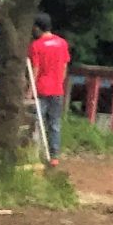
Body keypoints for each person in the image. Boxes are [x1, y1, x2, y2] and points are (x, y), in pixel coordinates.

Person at [27, 15, 71, 164]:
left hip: (41, 90)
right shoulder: (62, 43)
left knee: (37, 122)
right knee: (55, 123)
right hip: (57, 90)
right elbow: (65, 66)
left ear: (38, 27)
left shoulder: (36, 45)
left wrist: (30, 91)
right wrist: (59, 81)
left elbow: (35, 69)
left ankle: (35, 154)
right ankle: (54, 156)